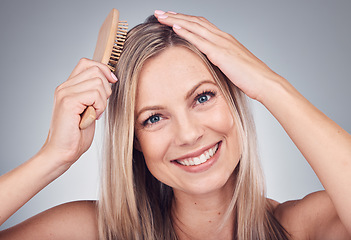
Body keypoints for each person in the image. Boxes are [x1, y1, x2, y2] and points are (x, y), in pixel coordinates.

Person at [0, 10, 350, 240]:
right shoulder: (93, 231)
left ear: (237, 96)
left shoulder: (304, 228)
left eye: (202, 98)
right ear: (134, 140)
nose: (188, 134)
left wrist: (272, 86)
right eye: (153, 118)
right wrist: (54, 157)